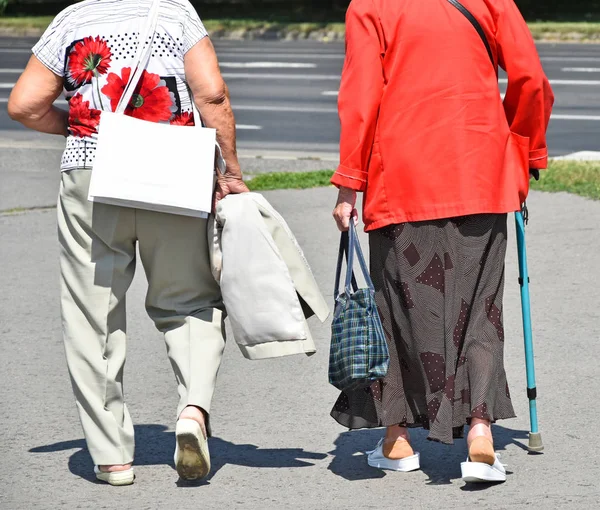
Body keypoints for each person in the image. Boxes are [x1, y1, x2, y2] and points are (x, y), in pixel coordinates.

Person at [8, 0, 248, 485]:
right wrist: (231, 171)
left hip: (91, 170)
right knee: (189, 301)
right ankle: (192, 413)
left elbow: (25, 105)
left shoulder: (73, 18)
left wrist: (80, 130)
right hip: (175, 169)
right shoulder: (177, 13)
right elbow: (213, 95)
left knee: (91, 311)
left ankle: (112, 456)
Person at [331, 0, 554, 483]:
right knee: (481, 310)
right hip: (482, 170)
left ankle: (398, 440)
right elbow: (530, 78)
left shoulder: (371, 6)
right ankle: (479, 434)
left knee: (396, 310)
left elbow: (361, 95)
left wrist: (350, 182)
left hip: (402, 175)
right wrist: (525, 150)